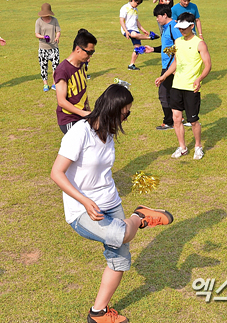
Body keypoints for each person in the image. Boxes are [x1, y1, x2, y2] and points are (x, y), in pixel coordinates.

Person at [51, 84, 174, 323]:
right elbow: (57, 173)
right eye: (126, 112)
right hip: (82, 209)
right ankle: (140, 216)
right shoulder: (79, 133)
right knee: (122, 235)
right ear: (113, 109)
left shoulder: (107, 132)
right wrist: (85, 201)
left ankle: (98, 312)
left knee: (119, 260)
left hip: (110, 200)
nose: (127, 117)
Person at [154, 13, 211, 160]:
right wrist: (164, 76)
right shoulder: (178, 42)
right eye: (180, 28)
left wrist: (199, 79)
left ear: (192, 26)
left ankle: (198, 146)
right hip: (177, 85)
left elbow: (208, 65)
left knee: (193, 120)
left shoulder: (200, 43)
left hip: (191, 87)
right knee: (177, 119)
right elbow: (176, 62)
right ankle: (182, 147)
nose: (181, 30)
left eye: (184, 28)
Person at [143, 4, 182, 130]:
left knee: (164, 94)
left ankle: (169, 121)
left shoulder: (173, 28)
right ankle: (178, 117)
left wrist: (176, 66)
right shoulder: (167, 27)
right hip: (168, 65)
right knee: (171, 93)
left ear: (165, 15)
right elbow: (168, 47)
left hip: (171, 67)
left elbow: (180, 46)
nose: (157, 19)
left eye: (158, 16)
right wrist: (153, 49)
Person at [53, 29, 96, 134]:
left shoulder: (82, 65)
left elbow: (83, 93)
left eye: (93, 52)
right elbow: (61, 101)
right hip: (69, 119)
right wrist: (83, 113)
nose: (90, 56)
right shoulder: (62, 71)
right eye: (89, 52)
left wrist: (89, 113)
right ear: (78, 49)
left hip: (82, 116)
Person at [119, 0, 159, 71]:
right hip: (127, 29)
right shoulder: (125, 8)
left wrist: (143, 30)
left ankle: (131, 65)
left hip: (135, 29)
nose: (138, 5)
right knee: (133, 34)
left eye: (139, 4)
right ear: (133, 0)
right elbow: (121, 20)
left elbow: (136, 21)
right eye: (137, 3)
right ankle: (150, 38)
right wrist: (126, 31)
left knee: (138, 49)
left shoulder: (135, 10)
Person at [35, 3, 60, 92]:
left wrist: (57, 37)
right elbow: (36, 34)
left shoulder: (54, 20)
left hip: (54, 48)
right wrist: (43, 37)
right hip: (43, 48)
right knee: (43, 67)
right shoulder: (38, 21)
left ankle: (54, 83)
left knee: (56, 67)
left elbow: (58, 31)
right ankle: (45, 84)